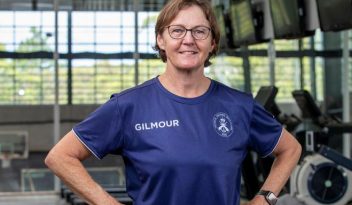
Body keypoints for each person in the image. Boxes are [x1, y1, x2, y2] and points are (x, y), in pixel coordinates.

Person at [45, 0, 302, 204]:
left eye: (200, 31)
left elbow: (290, 149)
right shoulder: (129, 106)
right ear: (161, 40)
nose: (188, 40)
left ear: (212, 43)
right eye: (177, 30)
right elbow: (60, 157)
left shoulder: (239, 106)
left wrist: (264, 199)